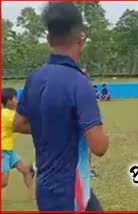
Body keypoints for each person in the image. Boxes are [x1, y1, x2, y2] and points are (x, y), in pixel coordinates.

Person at [13, 2, 109, 211]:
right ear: (80, 37)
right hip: (71, 193)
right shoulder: (80, 83)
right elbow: (99, 147)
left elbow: (18, 124)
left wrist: (52, 126)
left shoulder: (34, 78)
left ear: (48, 39)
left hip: (45, 188)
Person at [2, 88, 34, 190]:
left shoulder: (10, 112)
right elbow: (24, 122)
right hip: (2, 151)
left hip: (9, 151)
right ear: (9, 101)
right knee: (3, 182)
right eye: (15, 98)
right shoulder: (7, 114)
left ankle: (32, 196)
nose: (17, 100)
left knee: (26, 170)